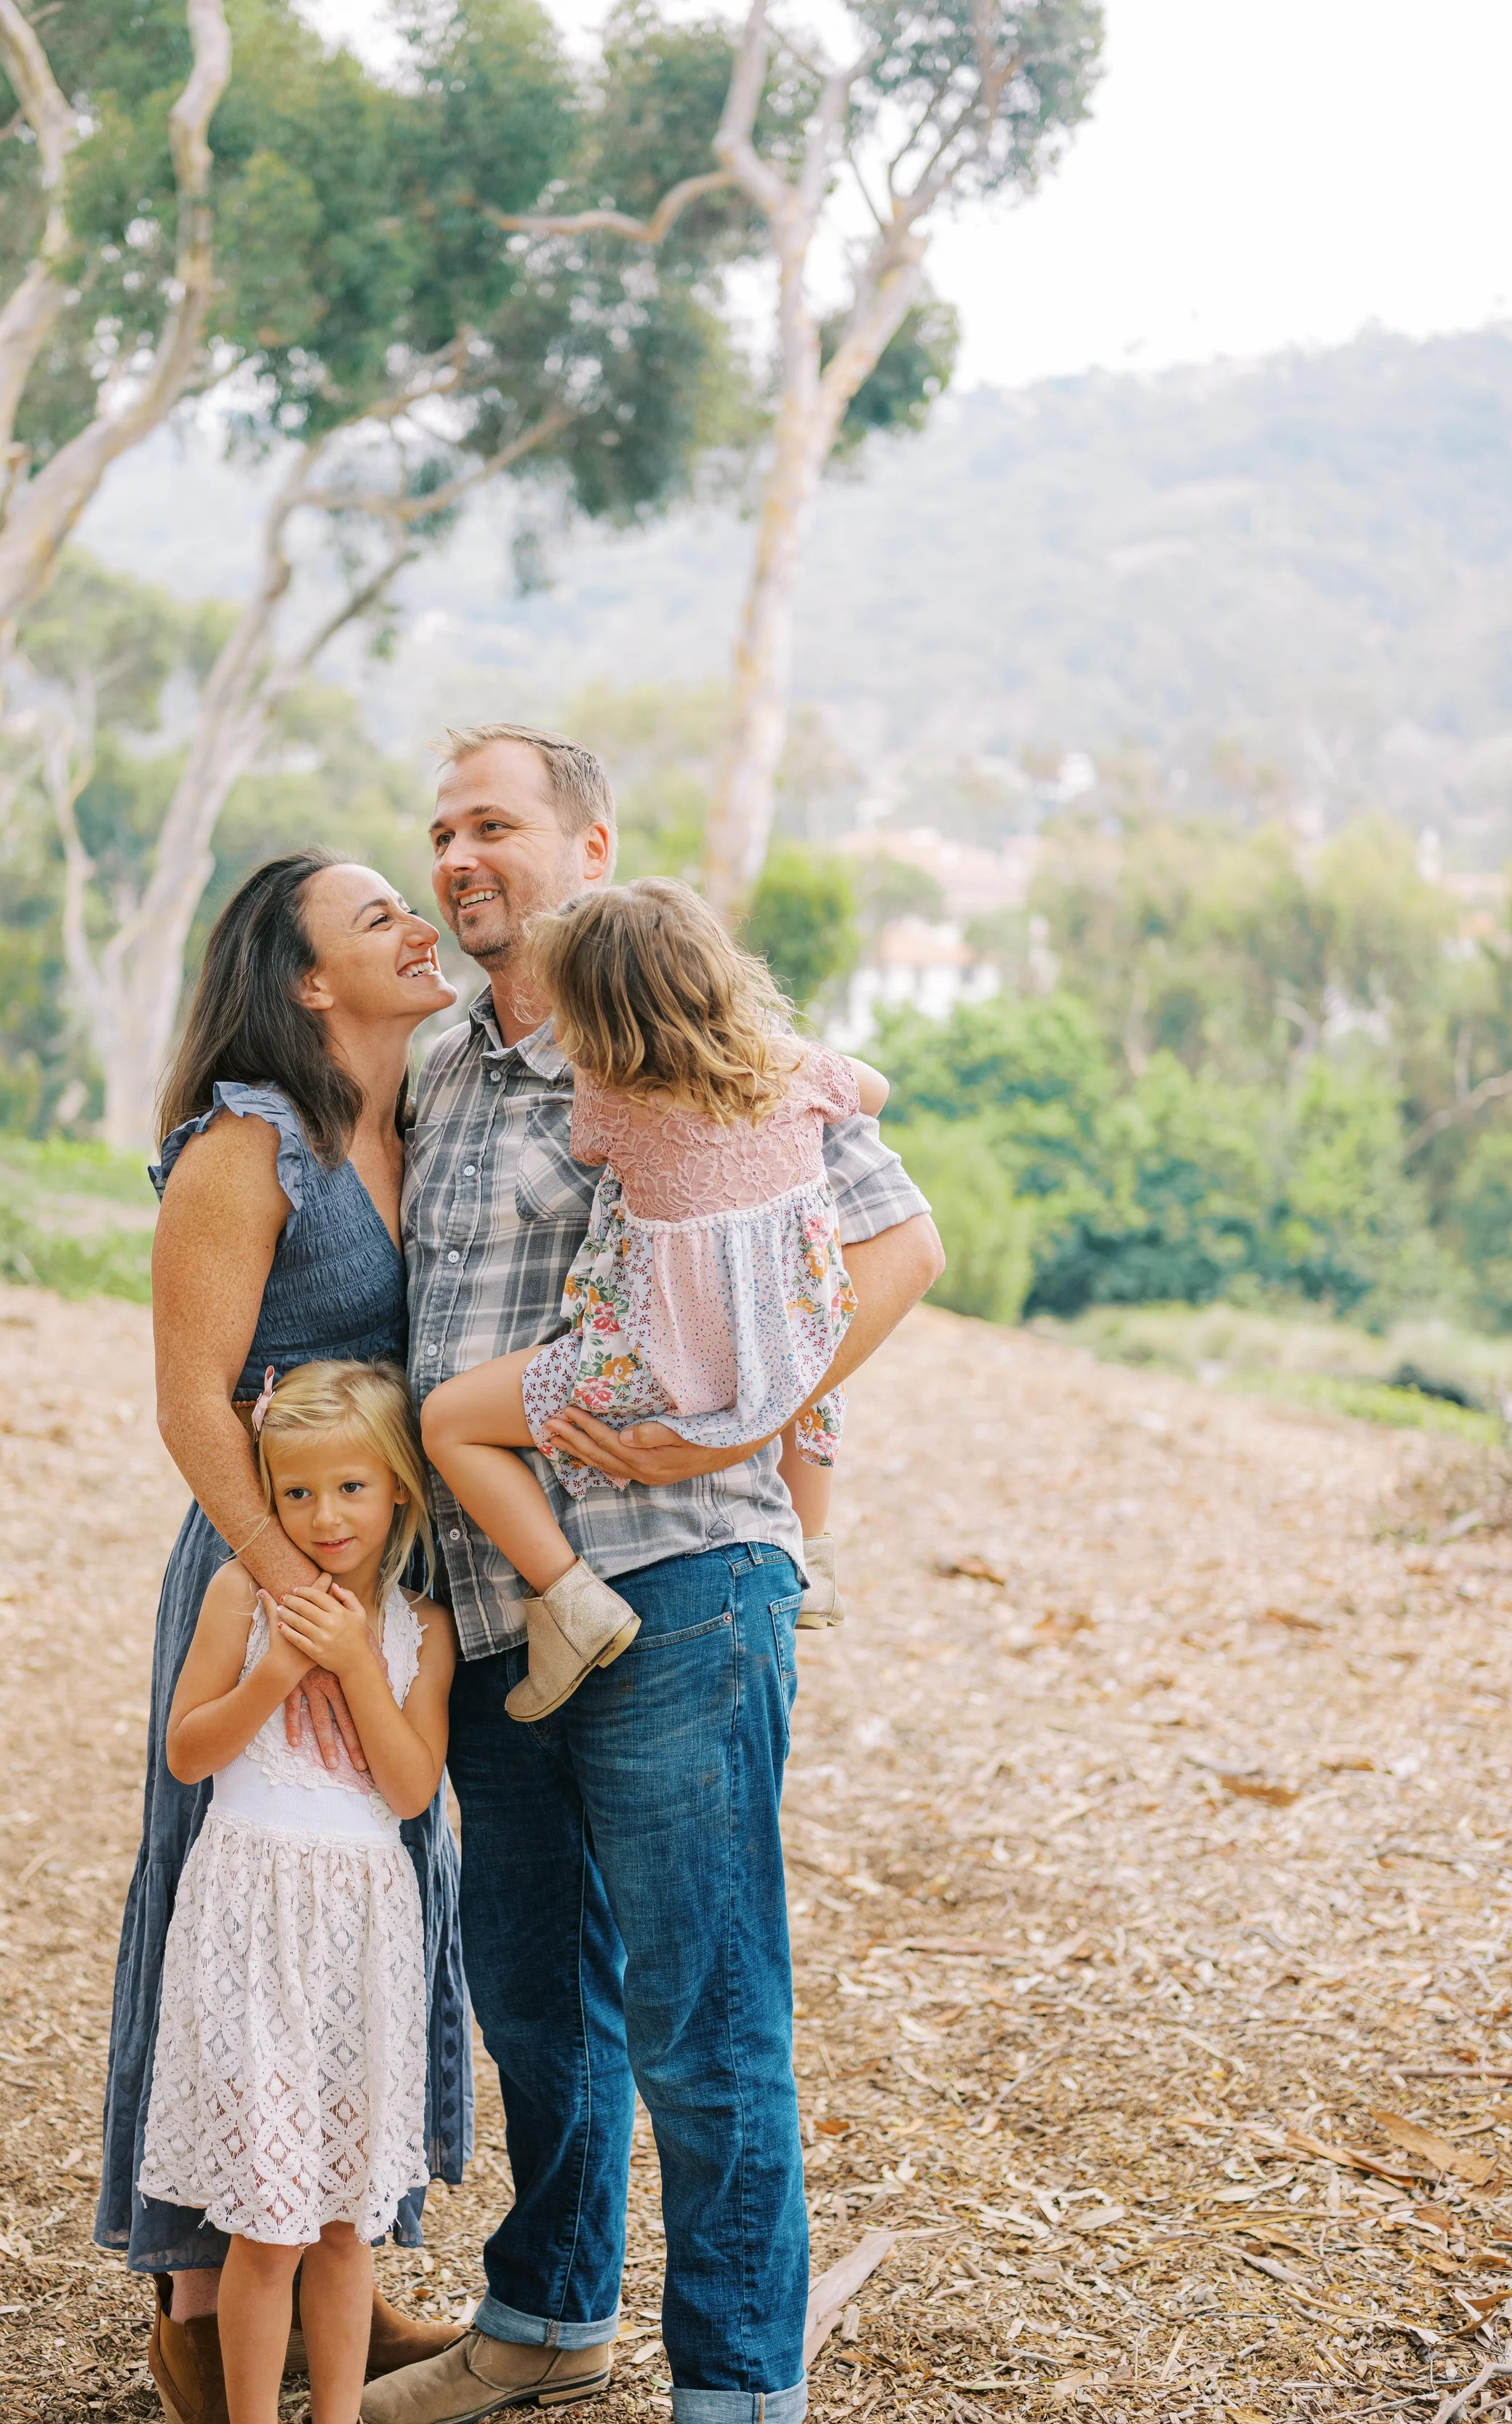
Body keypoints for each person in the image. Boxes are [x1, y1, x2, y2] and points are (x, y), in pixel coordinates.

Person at [363, 725, 944, 2424]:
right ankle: (546, 2318)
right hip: (487, 1604)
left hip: (684, 1584)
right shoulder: (442, 1066)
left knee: (706, 2018)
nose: (459, 857)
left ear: (591, 846)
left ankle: (740, 2390)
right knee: (537, 2004)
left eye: (495, 826)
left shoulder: (703, 1045)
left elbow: (902, 1246)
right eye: (440, 830)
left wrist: (739, 1423)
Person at [95, 850, 473, 2424]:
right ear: (308, 981)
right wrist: (291, 1598)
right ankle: (196, 2308)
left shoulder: (429, 1114)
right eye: (374, 911)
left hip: (385, 1574)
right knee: (226, 1902)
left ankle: (335, 2245)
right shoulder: (250, 1147)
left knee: (377, 1892)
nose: (416, 917)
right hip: (271, 1569)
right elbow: (191, 1404)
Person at [421, 877, 889, 1719]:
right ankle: (811, 1553)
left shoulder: (612, 1098)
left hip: (653, 1367)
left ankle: (569, 1601)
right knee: (811, 1347)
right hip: (783, 1348)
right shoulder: (799, 1069)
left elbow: (592, 1152)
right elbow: (874, 1089)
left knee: (448, 1421)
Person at [140, 1361, 457, 2424]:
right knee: (268, 2222)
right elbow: (187, 1753)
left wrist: (359, 1666)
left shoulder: (423, 1626)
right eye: (297, 1493)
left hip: (361, 1936)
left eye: (352, 1488)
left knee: (341, 2225)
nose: (326, 1517)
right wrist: (275, 1672)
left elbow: (412, 1789)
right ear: (267, 1497)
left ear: (400, 1487)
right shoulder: (242, 1593)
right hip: (249, 1920)